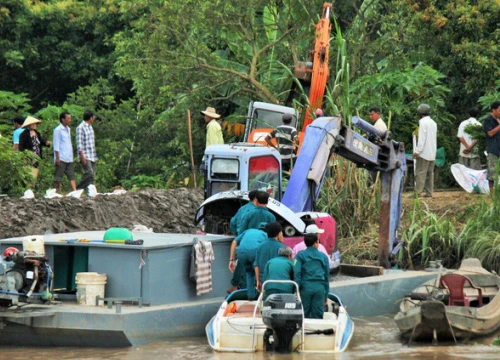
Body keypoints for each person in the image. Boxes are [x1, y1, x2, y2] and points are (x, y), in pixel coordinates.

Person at [293, 233, 330, 319]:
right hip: (319, 289)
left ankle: (303, 331)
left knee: (303, 313)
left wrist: (296, 289)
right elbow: (327, 276)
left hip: (305, 288)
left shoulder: (300, 255)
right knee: (318, 314)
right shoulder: (323, 257)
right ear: (315, 243)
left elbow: (297, 273)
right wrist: (326, 294)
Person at [228, 222, 268, 299]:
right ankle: (262, 297)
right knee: (261, 273)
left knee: (249, 272)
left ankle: (251, 296)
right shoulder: (265, 235)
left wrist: (231, 260)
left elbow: (234, 242)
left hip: (241, 253)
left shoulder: (248, 231)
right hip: (254, 252)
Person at [413, 103, 437, 198]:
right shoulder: (433, 123)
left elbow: (422, 138)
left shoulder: (422, 122)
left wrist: (417, 151)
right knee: (430, 174)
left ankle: (417, 193)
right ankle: (429, 193)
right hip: (432, 152)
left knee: (420, 173)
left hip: (424, 153)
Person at [254, 222, 285, 292]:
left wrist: (258, 281)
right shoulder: (282, 247)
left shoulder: (260, 246)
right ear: (279, 234)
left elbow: (256, 265)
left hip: (265, 282)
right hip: (279, 283)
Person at [18, 116, 51, 181]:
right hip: (29, 157)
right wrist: (23, 156)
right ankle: (28, 187)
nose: (34, 125)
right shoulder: (24, 134)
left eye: (35, 124)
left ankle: (33, 186)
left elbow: (40, 141)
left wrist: (46, 143)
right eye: (32, 124)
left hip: (37, 156)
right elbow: (21, 146)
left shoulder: (37, 133)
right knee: (29, 172)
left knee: (35, 172)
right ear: (29, 125)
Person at [53, 112, 76, 192]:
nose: (70, 120)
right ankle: (56, 191)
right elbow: (56, 144)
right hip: (61, 157)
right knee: (58, 176)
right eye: (68, 118)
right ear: (63, 119)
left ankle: (75, 191)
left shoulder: (68, 129)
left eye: (70, 118)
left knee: (71, 175)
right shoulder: (58, 130)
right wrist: (57, 158)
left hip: (68, 156)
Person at [76, 110, 98, 193]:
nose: (94, 119)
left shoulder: (90, 126)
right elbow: (79, 143)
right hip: (85, 155)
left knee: (92, 177)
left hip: (92, 154)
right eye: (93, 117)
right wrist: (82, 156)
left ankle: (89, 192)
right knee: (89, 173)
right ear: (90, 118)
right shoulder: (80, 127)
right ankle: (78, 188)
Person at [483, 101, 500, 193]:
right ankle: (491, 192)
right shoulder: (488, 120)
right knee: (492, 172)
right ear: (493, 110)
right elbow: (490, 133)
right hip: (493, 149)